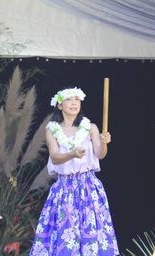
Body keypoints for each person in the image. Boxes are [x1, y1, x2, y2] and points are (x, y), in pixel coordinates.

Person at [29, 87, 119, 256]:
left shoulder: (90, 127)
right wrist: (72, 154)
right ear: (60, 105)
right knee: (67, 233)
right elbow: (55, 157)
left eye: (77, 100)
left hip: (89, 186)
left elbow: (100, 154)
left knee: (92, 231)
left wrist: (104, 141)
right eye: (69, 100)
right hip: (64, 188)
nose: (74, 103)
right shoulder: (52, 130)